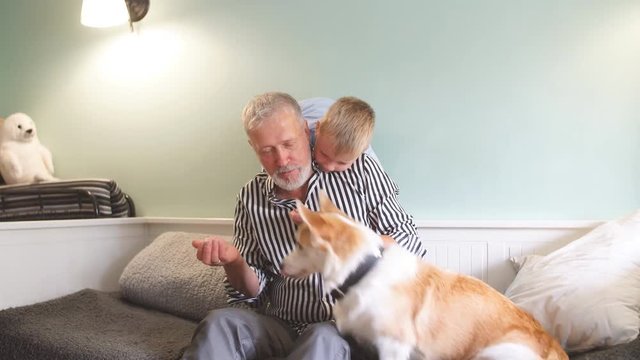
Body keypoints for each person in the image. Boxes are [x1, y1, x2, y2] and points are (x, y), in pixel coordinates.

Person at [182, 92, 426, 360]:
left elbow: (409, 241)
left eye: (288, 144)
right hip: (283, 326)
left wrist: (346, 236)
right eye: (267, 151)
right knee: (220, 324)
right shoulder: (250, 198)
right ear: (253, 147)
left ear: (306, 130)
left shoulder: (358, 168)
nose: (282, 160)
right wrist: (234, 261)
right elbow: (252, 294)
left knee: (321, 338)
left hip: (344, 328)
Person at [299, 97, 380, 172]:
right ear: (318, 128)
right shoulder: (306, 114)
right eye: (324, 154)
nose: (329, 167)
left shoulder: (370, 164)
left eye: (342, 163)